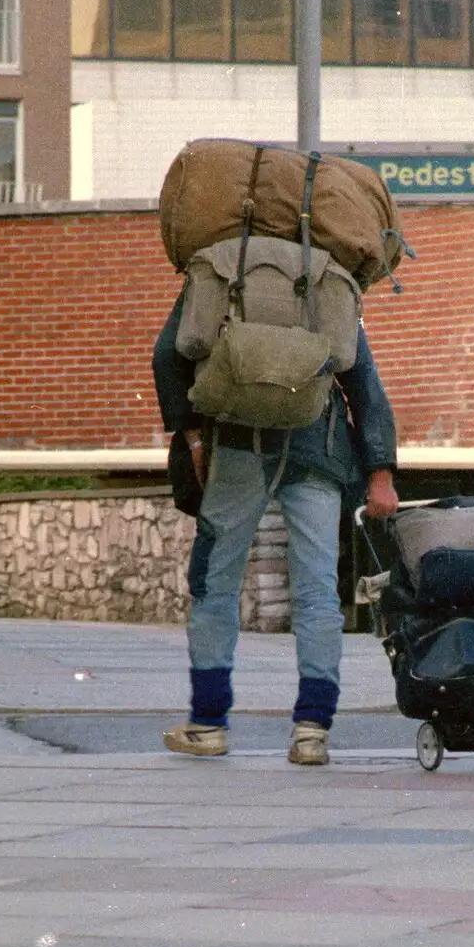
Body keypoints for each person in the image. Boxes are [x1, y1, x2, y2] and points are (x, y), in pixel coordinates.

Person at [152, 294, 398, 765]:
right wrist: (381, 471)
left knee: (215, 582)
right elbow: (363, 380)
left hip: (237, 445)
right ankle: (311, 731)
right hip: (318, 449)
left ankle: (208, 723)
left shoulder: (223, 269)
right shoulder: (328, 276)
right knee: (317, 590)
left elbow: (167, 354)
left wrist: (193, 438)